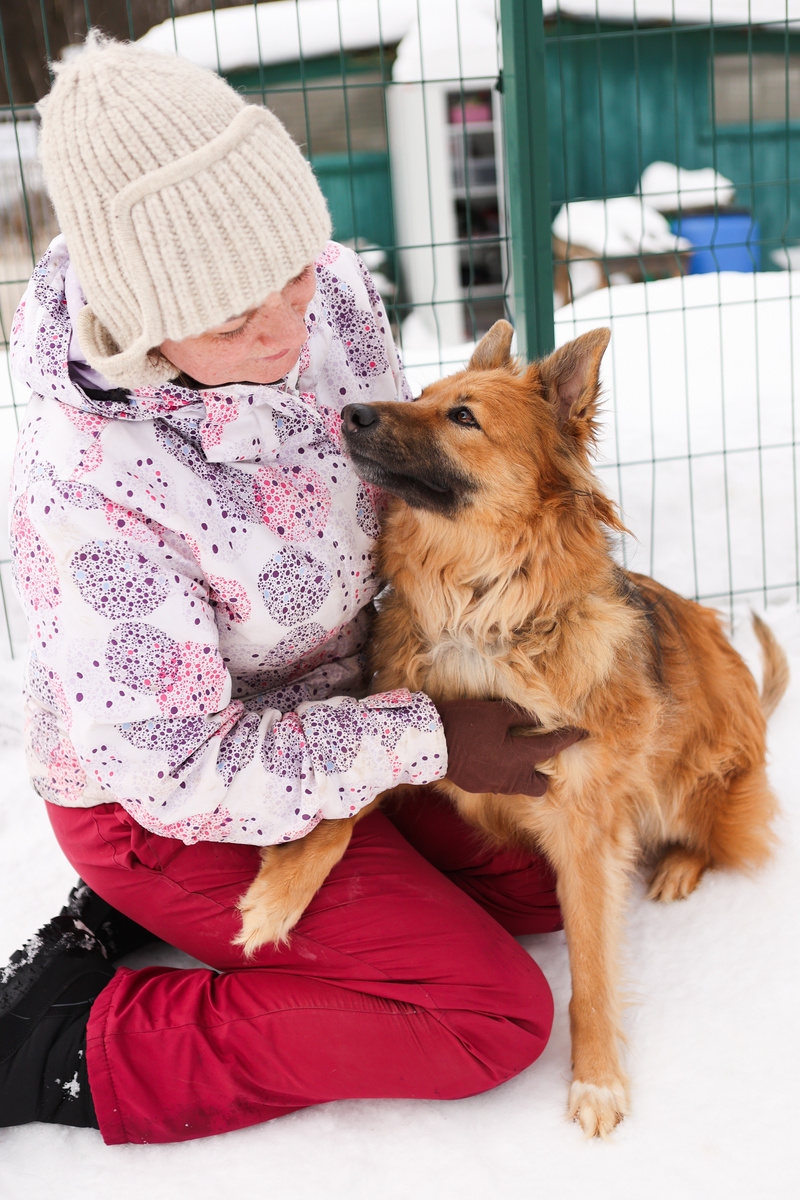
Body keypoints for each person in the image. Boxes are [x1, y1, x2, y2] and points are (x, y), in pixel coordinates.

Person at [0, 34, 583, 1144]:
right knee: (484, 1016)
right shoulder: (90, 489)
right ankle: (67, 1050)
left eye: (296, 276)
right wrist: (426, 743)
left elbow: (402, 487)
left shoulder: (321, 293)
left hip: (346, 719)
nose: (288, 328)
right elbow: (175, 765)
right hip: (163, 799)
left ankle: (171, 918)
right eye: (232, 320)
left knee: (545, 884)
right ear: (140, 320)